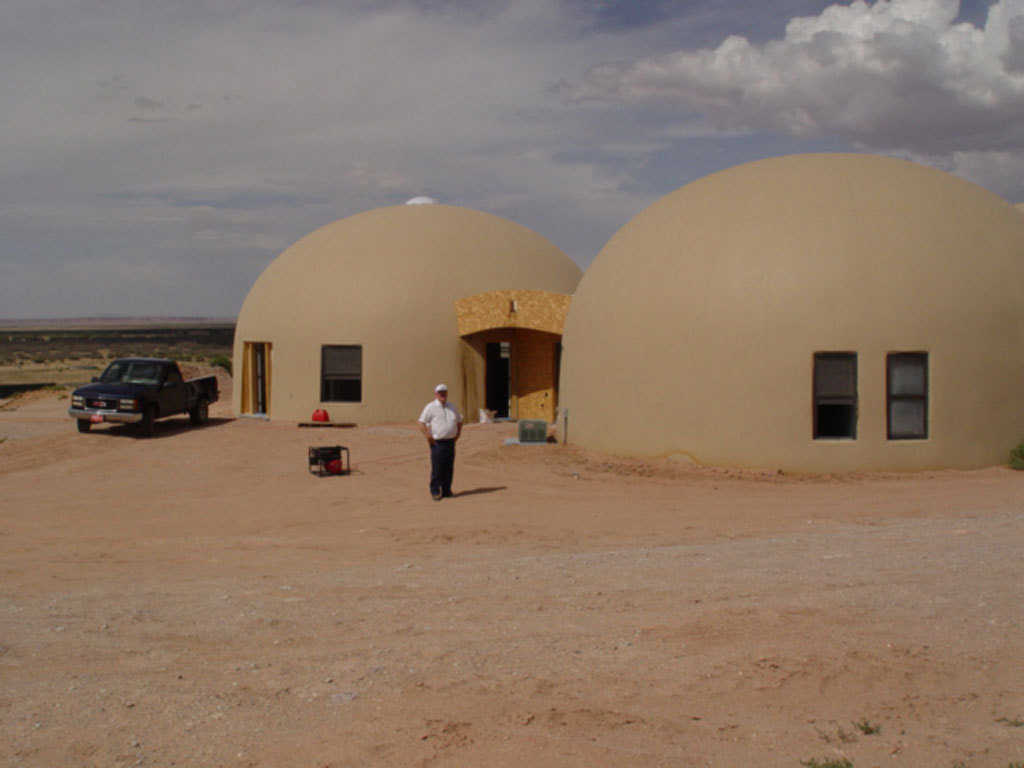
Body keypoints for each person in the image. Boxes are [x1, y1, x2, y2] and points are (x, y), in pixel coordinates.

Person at [418, 383, 462, 500]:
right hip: (437, 443)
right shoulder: (430, 407)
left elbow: (459, 420)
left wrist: (458, 433)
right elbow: (421, 422)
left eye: (444, 392)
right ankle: (435, 490)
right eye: (440, 392)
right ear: (436, 394)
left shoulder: (452, 407)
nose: (443, 394)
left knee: (449, 467)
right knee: (437, 467)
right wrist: (428, 435)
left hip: (450, 442)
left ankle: (447, 490)